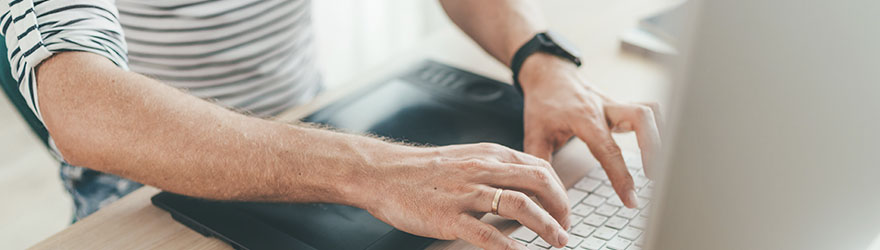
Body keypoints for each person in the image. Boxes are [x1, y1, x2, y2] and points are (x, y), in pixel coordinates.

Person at [1, 0, 661, 249]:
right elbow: (79, 103)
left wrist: (538, 57)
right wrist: (375, 171)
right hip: (138, 186)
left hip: (317, 123)